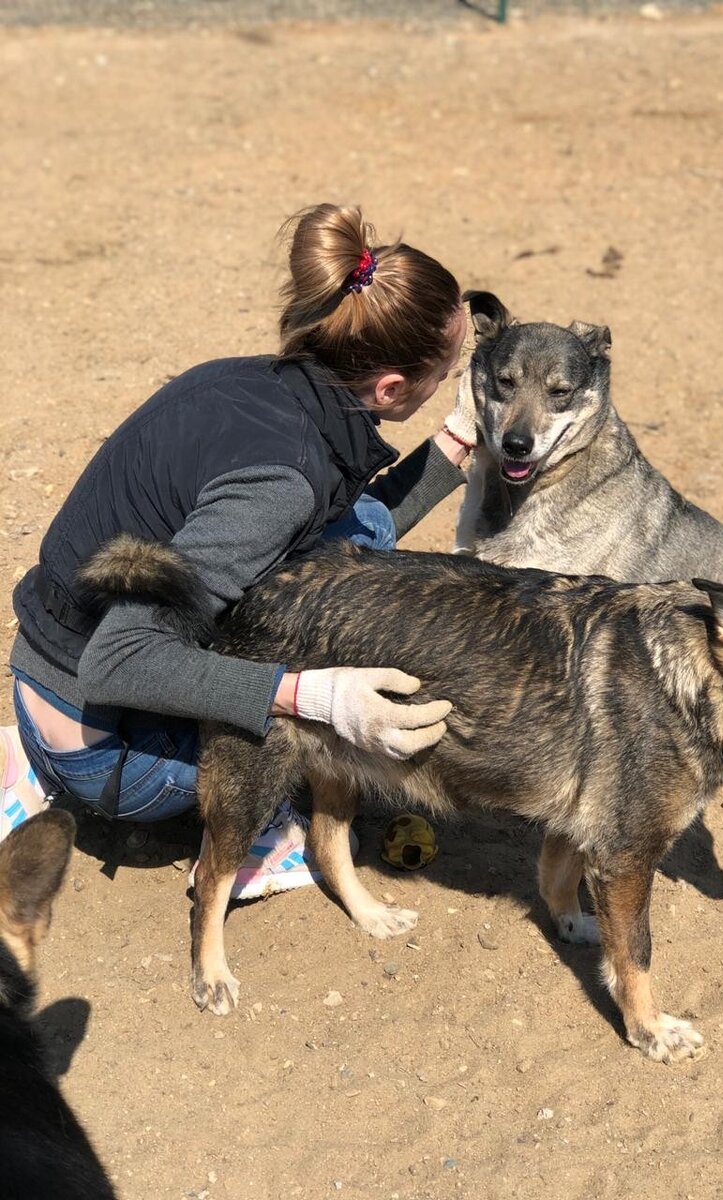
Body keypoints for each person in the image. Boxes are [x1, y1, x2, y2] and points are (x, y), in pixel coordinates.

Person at [0, 203, 479, 898]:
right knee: (316, 721)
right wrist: (315, 697)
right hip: (109, 752)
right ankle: (248, 843)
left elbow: (348, 525)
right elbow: (119, 660)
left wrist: (455, 446)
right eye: (451, 370)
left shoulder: (254, 384)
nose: (452, 383)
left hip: (42, 671)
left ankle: (29, 761)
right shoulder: (277, 486)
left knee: (355, 542)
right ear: (390, 389)